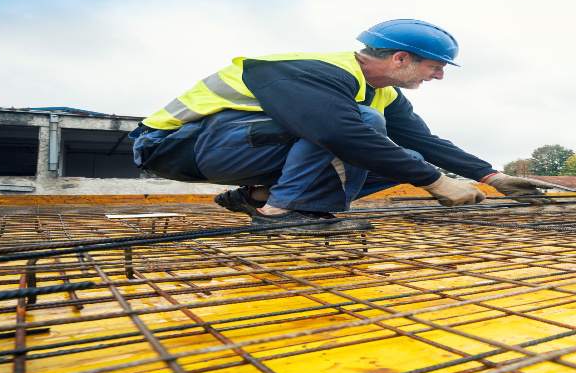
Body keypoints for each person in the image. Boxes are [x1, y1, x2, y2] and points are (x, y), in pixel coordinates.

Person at [130, 19, 551, 232]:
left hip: (234, 151)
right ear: (400, 59)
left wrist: (493, 176)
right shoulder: (312, 72)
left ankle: (257, 196)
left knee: (403, 151)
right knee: (362, 128)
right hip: (173, 147)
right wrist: (436, 183)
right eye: (434, 67)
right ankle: (281, 213)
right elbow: (337, 133)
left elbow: (424, 142)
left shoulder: (384, 92)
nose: (438, 76)